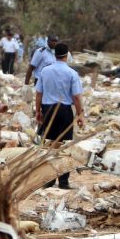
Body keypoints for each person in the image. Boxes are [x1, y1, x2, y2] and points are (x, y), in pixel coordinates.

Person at [35, 43, 84, 189]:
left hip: (48, 110)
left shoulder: (44, 71)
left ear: (54, 54)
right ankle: (63, 181)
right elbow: (76, 97)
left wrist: (38, 111)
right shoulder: (71, 73)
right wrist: (80, 114)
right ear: (67, 55)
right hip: (64, 111)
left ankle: (49, 180)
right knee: (65, 146)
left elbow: (38, 93)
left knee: (50, 145)